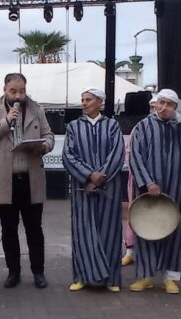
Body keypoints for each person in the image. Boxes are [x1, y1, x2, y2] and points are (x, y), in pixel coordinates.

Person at [0, 73, 54, 288]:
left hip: (30, 178)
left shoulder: (37, 109)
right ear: (4, 90)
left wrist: (44, 146)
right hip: (5, 180)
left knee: (34, 229)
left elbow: (49, 135)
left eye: (22, 91)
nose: (18, 96)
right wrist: (5, 121)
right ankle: (13, 272)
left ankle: (38, 272)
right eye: (13, 91)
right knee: (8, 230)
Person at [129, 89, 181, 294]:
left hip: (177, 187)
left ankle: (170, 277)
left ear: (175, 107)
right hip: (149, 189)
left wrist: (179, 117)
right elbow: (135, 157)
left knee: (175, 229)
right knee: (146, 230)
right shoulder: (143, 126)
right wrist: (148, 182)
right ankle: (146, 276)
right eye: (161, 103)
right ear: (156, 103)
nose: (164, 107)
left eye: (169, 104)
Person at [63, 87, 125, 292]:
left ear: (100, 102)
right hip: (83, 188)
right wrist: (89, 175)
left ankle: (112, 279)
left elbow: (117, 154)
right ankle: (81, 277)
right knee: (83, 231)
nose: (84, 103)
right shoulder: (73, 127)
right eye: (82, 99)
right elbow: (68, 156)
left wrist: (100, 177)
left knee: (110, 231)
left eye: (88, 99)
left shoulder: (112, 125)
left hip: (109, 187)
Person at [122, 95, 160, 267]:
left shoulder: (172, 127)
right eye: (152, 107)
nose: (155, 110)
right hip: (139, 180)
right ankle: (130, 251)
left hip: (162, 181)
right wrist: (144, 178)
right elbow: (130, 153)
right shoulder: (140, 127)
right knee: (136, 212)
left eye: (157, 106)